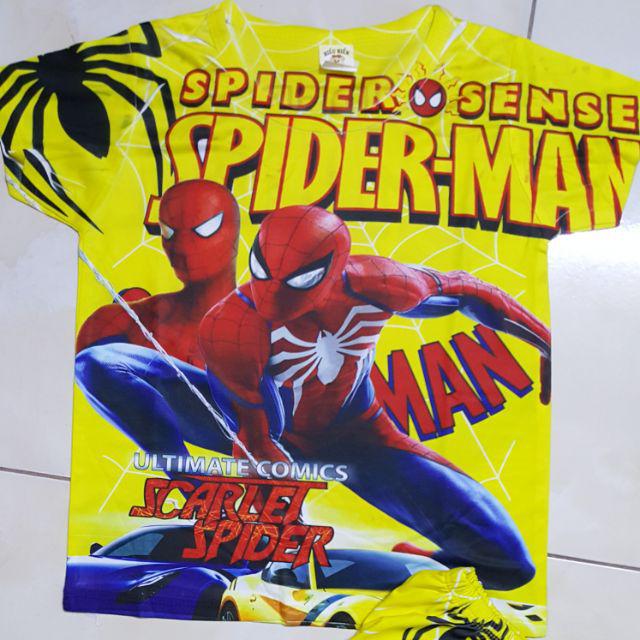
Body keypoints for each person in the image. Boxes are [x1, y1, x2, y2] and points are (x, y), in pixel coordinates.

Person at [199, 204, 551, 591]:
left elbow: (467, 289)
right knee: (143, 373)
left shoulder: (373, 283)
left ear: (334, 268)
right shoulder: (231, 324)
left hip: (359, 435)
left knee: (510, 566)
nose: (271, 295)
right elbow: (254, 441)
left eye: (299, 280)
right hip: (272, 435)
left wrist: (549, 344)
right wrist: (289, 534)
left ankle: (417, 566)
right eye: (262, 271)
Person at [75, 180, 240, 459]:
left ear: (233, 233)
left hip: (279, 435)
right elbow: (95, 371)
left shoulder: (277, 322)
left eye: (204, 230)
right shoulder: (121, 322)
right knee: (95, 362)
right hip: (205, 437)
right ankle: (183, 474)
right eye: (169, 232)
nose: (183, 247)